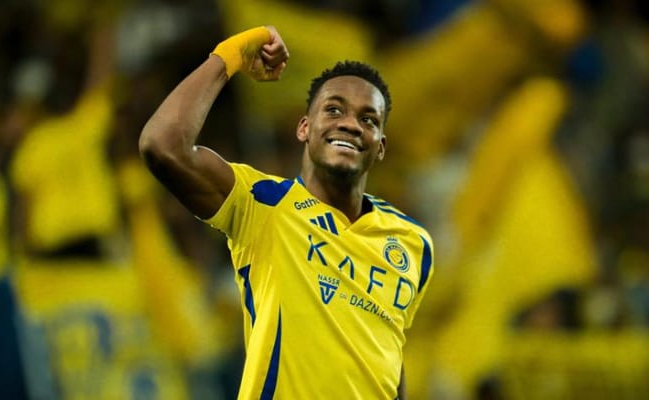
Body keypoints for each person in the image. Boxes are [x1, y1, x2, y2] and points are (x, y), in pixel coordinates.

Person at [139, 25, 434, 399]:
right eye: (334, 110)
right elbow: (163, 145)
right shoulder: (263, 203)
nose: (350, 124)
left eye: (368, 119)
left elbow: (387, 350)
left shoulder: (413, 243)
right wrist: (230, 55)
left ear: (381, 147)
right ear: (304, 128)